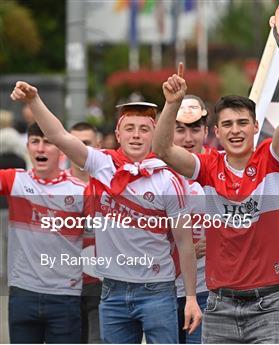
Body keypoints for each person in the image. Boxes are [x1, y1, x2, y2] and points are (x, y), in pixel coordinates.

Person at [10, 83, 202, 344]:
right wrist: (34, 100)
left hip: (157, 291)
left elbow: (184, 242)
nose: (136, 135)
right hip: (112, 290)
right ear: (118, 134)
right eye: (129, 129)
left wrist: (190, 298)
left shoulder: (168, 180)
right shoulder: (102, 164)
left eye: (144, 129)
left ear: (155, 134)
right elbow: (58, 135)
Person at [153, 55, 279, 343]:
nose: (236, 130)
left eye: (243, 123)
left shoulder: (272, 158)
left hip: (270, 304)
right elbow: (163, 149)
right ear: (217, 132)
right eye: (227, 124)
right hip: (219, 305)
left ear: (255, 127)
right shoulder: (208, 166)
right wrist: (171, 103)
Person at [0, 122, 86, 343]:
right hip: (23, 294)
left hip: (65, 297)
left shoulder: (81, 191)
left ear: (60, 148)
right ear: (27, 147)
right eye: (35, 142)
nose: (40, 149)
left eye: (48, 142)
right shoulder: (14, 180)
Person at [173, 94, 212, 343]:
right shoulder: (152, 171)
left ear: (206, 131)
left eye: (195, 129)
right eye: (179, 130)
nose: (188, 138)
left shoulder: (221, 168)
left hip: (206, 292)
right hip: (160, 292)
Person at [69, 122, 102, 343]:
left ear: (98, 146)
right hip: (64, 284)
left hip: (102, 283)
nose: (80, 149)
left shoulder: (111, 185)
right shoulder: (54, 186)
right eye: (75, 144)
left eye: (87, 144)